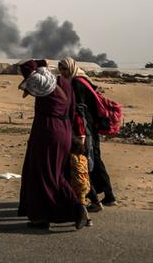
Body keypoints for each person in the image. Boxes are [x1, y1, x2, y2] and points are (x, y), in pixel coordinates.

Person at [17, 59, 88, 230]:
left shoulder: (45, 88)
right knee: (53, 175)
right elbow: (72, 113)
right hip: (63, 132)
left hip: (48, 133)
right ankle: (41, 217)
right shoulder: (64, 83)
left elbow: (27, 68)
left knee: (43, 175)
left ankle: (76, 211)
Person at [58, 57, 117, 211]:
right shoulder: (83, 79)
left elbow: (80, 109)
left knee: (89, 160)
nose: (63, 72)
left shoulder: (77, 83)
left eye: (65, 69)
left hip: (86, 128)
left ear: (71, 67)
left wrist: (81, 132)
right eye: (61, 69)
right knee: (94, 160)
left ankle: (99, 197)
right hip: (90, 127)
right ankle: (106, 195)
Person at [69, 137, 93, 227]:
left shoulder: (73, 158)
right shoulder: (84, 158)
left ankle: (87, 219)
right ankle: (78, 218)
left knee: (81, 203)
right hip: (86, 183)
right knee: (80, 201)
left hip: (78, 184)